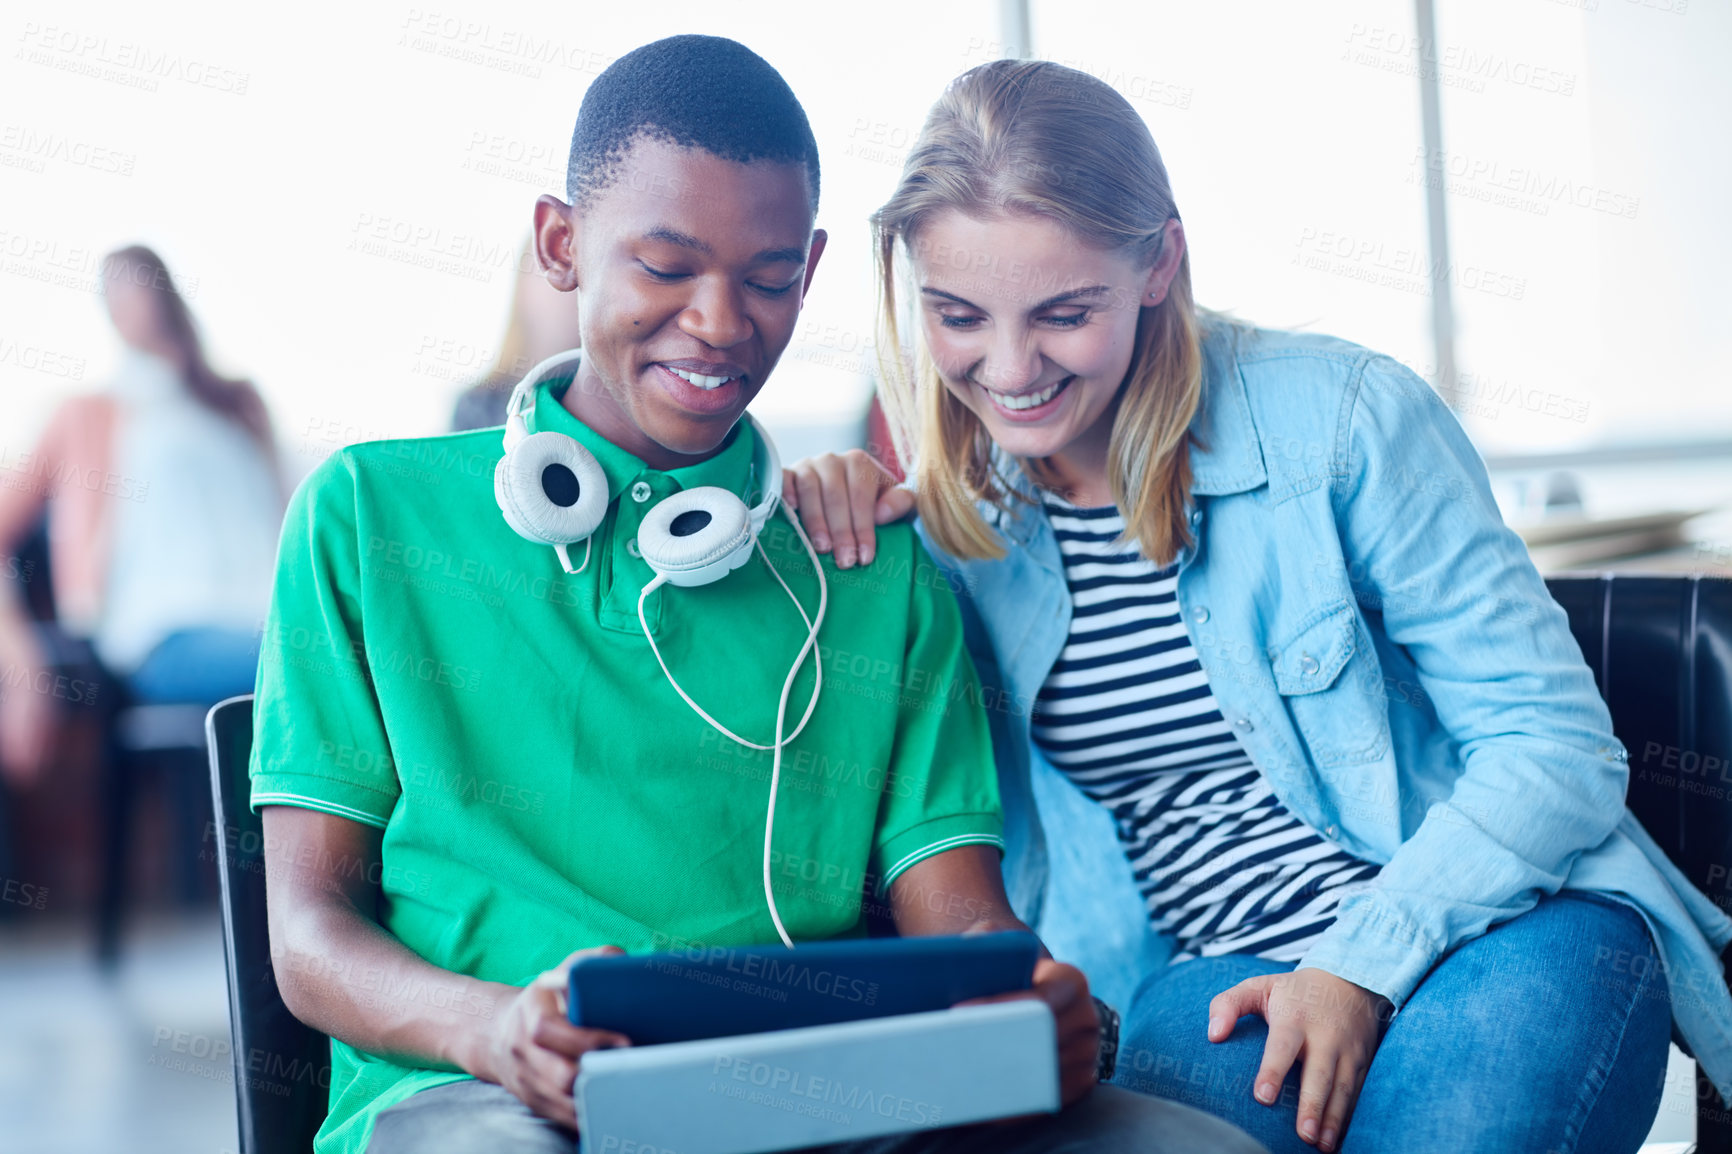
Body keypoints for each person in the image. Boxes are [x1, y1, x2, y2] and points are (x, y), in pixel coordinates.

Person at [250, 36, 1262, 1154]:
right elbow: (306, 933)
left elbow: (960, 910)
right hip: (489, 1096)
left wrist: (1032, 993)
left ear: (812, 268)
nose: (723, 322)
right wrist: (494, 1029)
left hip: (832, 1095)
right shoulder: (366, 516)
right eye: (667, 267)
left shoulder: (866, 572)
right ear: (560, 244)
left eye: (769, 277)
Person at [782, 59, 1732, 1154]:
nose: (1008, 369)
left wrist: (1354, 964)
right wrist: (815, 518)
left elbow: (1555, 748)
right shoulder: (953, 542)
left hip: (1500, 928)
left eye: (1062, 312)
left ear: (1157, 264)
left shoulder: (1341, 420)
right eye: (957, 316)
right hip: (1213, 987)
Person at [0, 245, 283, 784]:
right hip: (163, 635)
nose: (131, 303)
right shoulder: (89, 413)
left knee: (348, 659)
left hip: (265, 619)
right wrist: (21, 666)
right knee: (324, 672)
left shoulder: (240, 404)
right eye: (115, 292)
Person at [449, 239, 584, 432]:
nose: (570, 286)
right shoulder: (480, 404)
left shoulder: (609, 405)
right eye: (554, 268)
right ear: (523, 286)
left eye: (582, 272)